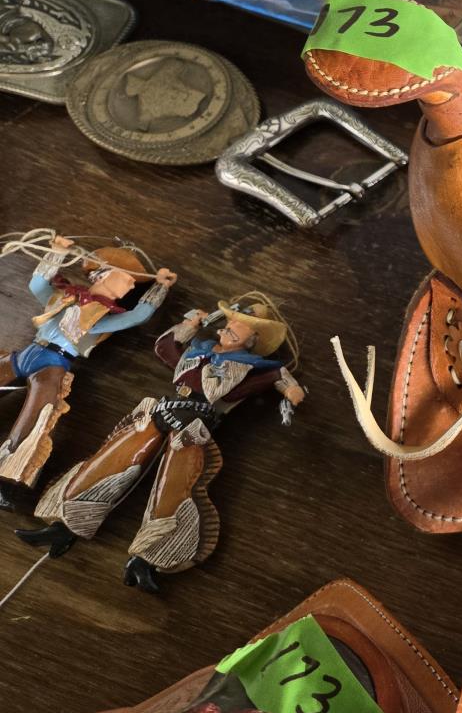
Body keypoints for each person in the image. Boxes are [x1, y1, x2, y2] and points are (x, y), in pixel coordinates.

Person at [16, 295, 306, 593]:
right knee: (110, 461)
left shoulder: (251, 367)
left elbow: (277, 375)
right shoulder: (200, 349)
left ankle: (149, 559)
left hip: (195, 426)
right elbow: (165, 348)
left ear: (253, 339)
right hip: (162, 411)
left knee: (175, 487)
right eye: (231, 321)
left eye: (240, 326)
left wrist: (290, 389)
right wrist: (189, 325)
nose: (229, 327)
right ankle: (63, 525)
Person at [0, 234, 175, 504]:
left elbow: (138, 315)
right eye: (126, 279)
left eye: (132, 283)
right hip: (26, 353)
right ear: (102, 274)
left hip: (53, 365)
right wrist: (57, 252)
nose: (130, 286)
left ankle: (7, 477)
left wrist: (160, 287)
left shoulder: (102, 319)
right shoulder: (64, 297)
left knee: (35, 420)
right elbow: (37, 284)